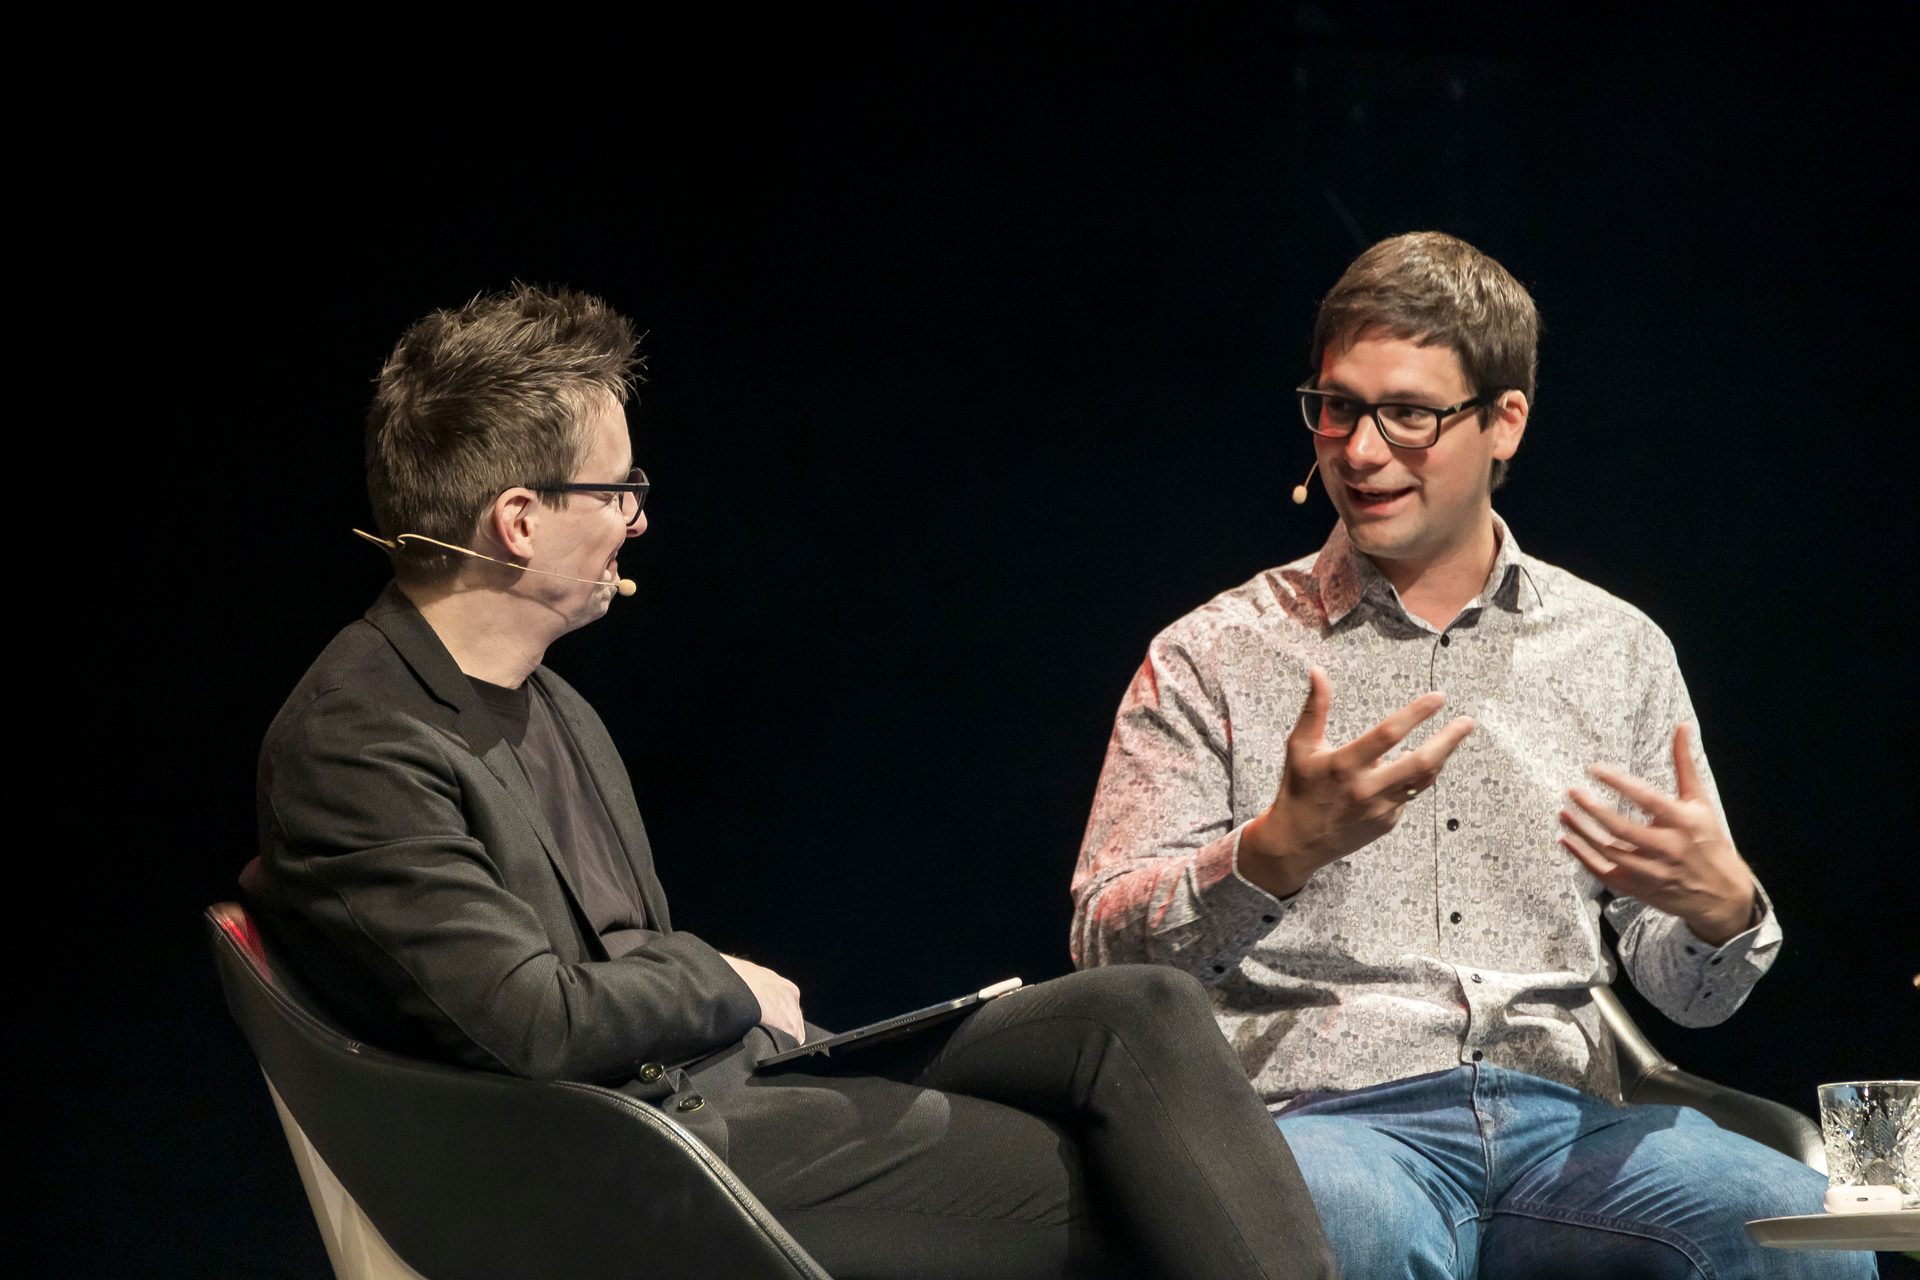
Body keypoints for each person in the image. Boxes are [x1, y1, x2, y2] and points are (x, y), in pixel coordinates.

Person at [246, 283, 1334, 1280]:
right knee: (1128, 1184)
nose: (637, 518)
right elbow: (531, 1021)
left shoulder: (552, 701)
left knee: (1137, 1009)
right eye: (617, 489)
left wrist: (734, 1013)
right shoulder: (360, 741)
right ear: (520, 519)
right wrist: (718, 977)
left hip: (727, 1085)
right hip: (624, 1160)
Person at [1072, 232, 1874, 1278]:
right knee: (1344, 1228)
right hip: (1321, 1116)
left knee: (1807, 1232)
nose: (1360, 452)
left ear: (1505, 422)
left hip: (1571, 1128)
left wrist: (1721, 913)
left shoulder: (1616, 649)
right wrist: (1267, 857)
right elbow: (1102, 950)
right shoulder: (1215, 653)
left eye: (1408, 414)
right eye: (1337, 406)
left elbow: (1690, 993)